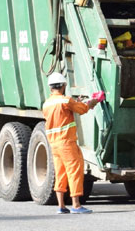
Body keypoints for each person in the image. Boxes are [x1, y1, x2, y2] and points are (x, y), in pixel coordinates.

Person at [42, 72, 101, 214]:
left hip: (54, 143)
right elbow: (82, 109)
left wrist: (76, 102)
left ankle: (61, 206)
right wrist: (92, 102)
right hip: (66, 142)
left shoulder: (46, 103)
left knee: (60, 172)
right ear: (63, 86)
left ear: (51, 88)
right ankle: (76, 205)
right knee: (74, 171)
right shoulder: (65, 101)